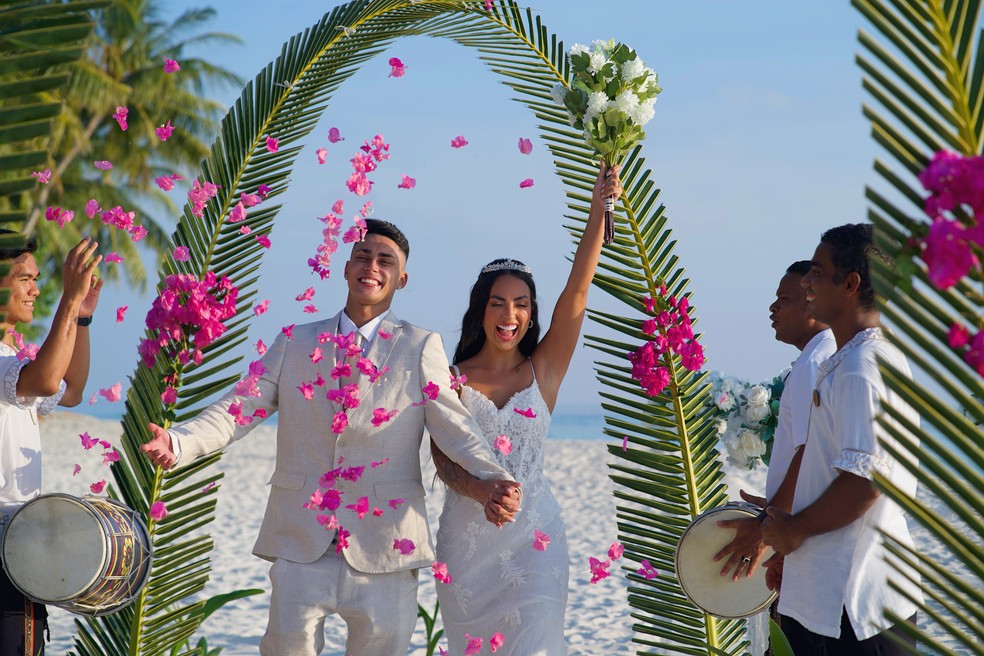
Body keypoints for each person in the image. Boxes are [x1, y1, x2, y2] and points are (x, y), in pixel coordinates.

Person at [139, 219, 521, 656]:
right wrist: (181, 441)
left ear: (402, 278)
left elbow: (454, 426)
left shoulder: (420, 346)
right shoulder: (295, 341)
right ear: (345, 267)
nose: (371, 266)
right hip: (301, 538)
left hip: (386, 546)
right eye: (362, 256)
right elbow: (237, 408)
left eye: (385, 260)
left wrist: (494, 476)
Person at [430, 162, 622, 655]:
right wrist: (480, 491)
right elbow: (442, 459)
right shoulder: (449, 377)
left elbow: (577, 291)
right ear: (481, 308)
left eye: (521, 304)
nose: (509, 315)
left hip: (534, 538)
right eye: (498, 303)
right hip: (466, 545)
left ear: (532, 312)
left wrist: (601, 208)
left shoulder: (545, 371)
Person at [761, 223, 923, 655]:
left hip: (857, 605)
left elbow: (866, 480)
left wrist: (794, 530)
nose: (808, 282)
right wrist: (793, 559)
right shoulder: (853, 359)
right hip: (836, 601)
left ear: (850, 283)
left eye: (816, 271)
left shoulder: (861, 370)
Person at [0, 231, 102, 656]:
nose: (36, 289)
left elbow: (70, 388)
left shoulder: (9, 360)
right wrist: (68, 298)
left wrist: (79, 316)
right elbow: (45, 379)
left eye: (37, 278)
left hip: (17, 543)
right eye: (24, 279)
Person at [714, 261, 835, 582]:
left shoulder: (816, 361)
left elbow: (810, 452)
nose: (773, 307)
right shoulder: (818, 355)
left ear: (814, 303)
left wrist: (767, 524)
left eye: (784, 299)